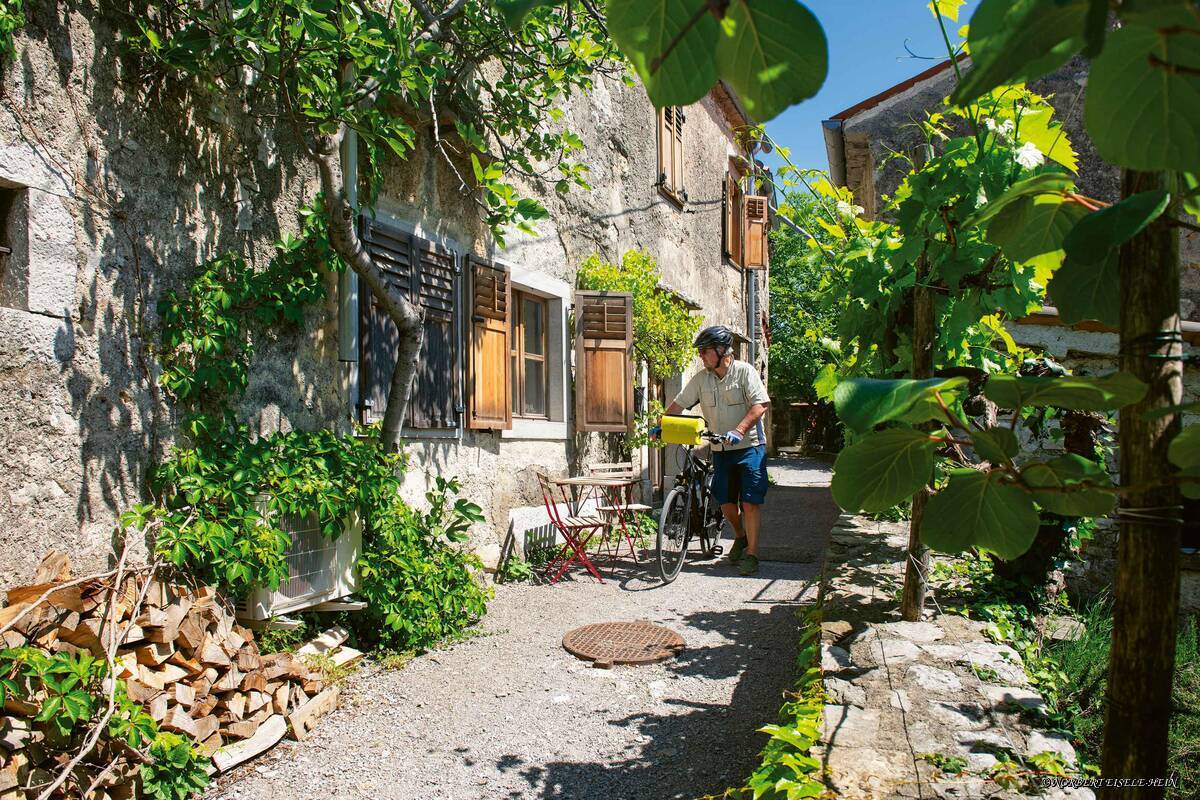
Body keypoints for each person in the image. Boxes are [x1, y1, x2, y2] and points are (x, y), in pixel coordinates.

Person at [659, 325, 770, 575]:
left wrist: (739, 430)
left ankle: (752, 554)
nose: (701, 356)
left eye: (704, 351)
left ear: (721, 351)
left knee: (750, 502)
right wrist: (662, 425)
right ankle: (739, 536)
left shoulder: (745, 373)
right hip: (720, 450)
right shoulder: (702, 379)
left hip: (750, 446)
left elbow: (760, 405)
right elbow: (678, 405)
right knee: (725, 501)